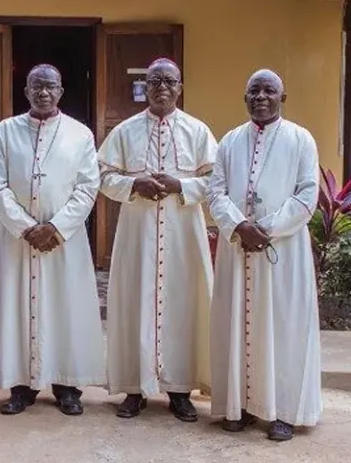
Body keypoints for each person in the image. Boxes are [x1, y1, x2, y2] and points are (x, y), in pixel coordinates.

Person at [97, 58, 216, 422]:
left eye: (169, 81)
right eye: (154, 81)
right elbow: (102, 177)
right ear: (144, 88)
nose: (162, 87)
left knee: (184, 305)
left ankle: (180, 390)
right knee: (135, 302)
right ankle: (134, 389)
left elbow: (217, 181)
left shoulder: (198, 131)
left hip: (183, 236)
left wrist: (183, 186)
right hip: (138, 235)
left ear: (180, 87)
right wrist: (134, 184)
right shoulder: (125, 131)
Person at [208, 69, 322, 441]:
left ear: (282, 98)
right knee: (237, 324)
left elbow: (307, 194)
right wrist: (239, 226)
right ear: (245, 98)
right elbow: (215, 192)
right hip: (238, 249)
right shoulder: (229, 141)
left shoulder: (300, 139)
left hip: (282, 251)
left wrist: (266, 229)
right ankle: (239, 405)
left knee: (284, 328)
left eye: (269, 90)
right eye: (254, 90)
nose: (260, 96)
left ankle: (283, 412)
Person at [0, 64, 105, 416]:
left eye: (50, 86)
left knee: (65, 308)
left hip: (63, 240)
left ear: (60, 92)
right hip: (17, 239)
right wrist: (25, 227)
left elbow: (87, 187)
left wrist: (55, 227)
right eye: (36, 86)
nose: (43, 92)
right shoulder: (6, 131)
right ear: (26, 91)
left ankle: (67, 386)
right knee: (17, 308)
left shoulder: (80, 134)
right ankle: (21, 387)